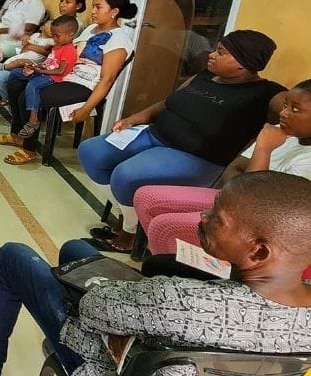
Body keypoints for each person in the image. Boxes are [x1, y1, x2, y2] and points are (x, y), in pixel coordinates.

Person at [0, 172, 311, 376]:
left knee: (14, 257)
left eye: (217, 218)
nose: (203, 217)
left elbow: (93, 308)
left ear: (259, 251)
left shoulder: (177, 299)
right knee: (77, 251)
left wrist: (136, 292)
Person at [80, 30, 285, 251]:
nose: (212, 55)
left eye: (221, 52)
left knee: (125, 175)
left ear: (243, 63)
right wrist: (134, 119)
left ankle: (129, 232)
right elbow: (168, 102)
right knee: (91, 150)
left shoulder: (266, 94)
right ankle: (129, 214)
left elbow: (297, 106)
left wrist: (295, 108)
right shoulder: (204, 76)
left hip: (195, 156)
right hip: (154, 134)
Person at [133, 81, 311, 262]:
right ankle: (181, 262)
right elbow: (235, 168)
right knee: (146, 198)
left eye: (295, 109)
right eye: (285, 105)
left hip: (258, 226)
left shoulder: (304, 158)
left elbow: (255, 203)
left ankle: (183, 269)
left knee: (164, 227)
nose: (283, 113)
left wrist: (263, 150)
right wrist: (241, 188)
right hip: (234, 198)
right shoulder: (280, 132)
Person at [0, 0, 137, 166]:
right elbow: (65, 51)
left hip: (84, 85)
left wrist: (86, 109)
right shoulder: (91, 29)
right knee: (15, 82)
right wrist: (40, 66)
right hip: (67, 75)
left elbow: (107, 80)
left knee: (28, 95)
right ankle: (17, 134)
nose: (93, 11)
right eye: (93, 6)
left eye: (98, 7)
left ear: (114, 12)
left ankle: (29, 149)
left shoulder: (119, 40)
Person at [0, 0, 87, 105]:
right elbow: (47, 43)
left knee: (1, 76)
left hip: (48, 64)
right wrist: (29, 40)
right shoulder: (58, 21)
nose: (62, 5)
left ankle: (13, 101)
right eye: (61, 1)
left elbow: (58, 51)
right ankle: (12, 101)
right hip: (43, 61)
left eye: (67, 2)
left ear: (78, 6)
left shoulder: (76, 26)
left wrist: (32, 47)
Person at [12, 15, 80, 141]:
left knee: (32, 86)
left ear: (70, 35)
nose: (54, 38)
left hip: (53, 78)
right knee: (16, 73)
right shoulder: (57, 46)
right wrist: (35, 66)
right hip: (45, 71)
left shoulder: (69, 50)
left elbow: (60, 71)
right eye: (53, 35)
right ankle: (10, 99)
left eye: (57, 36)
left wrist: (41, 70)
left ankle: (33, 119)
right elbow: (49, 63)